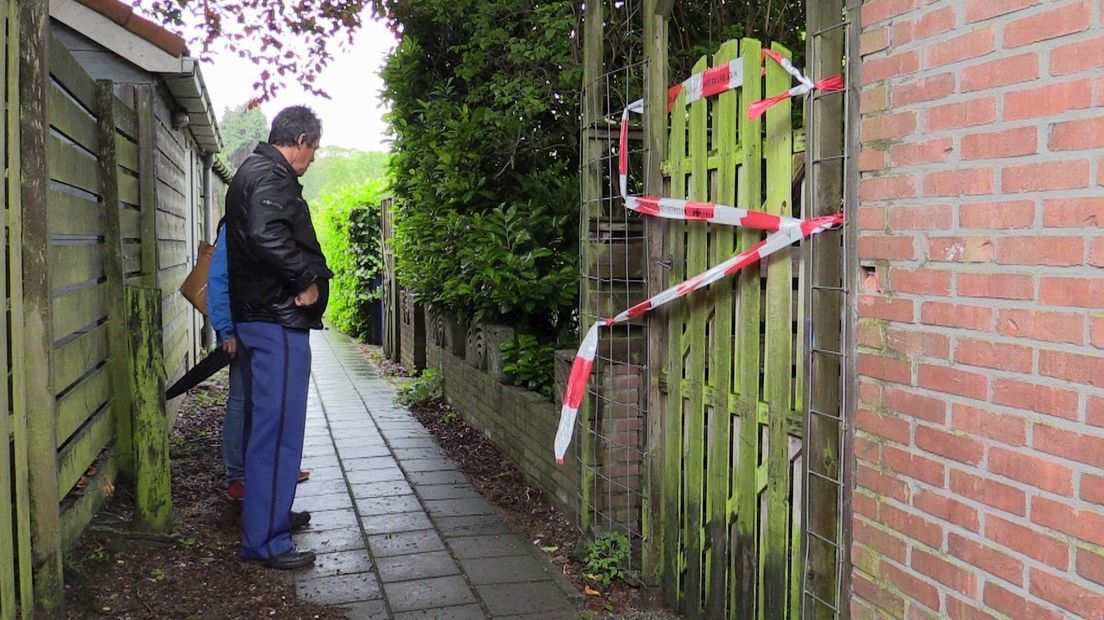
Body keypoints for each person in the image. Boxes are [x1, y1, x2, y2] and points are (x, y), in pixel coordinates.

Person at [225, 106, 332, 570]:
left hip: (260, 319)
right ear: (302, 140)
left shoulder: (252, 170)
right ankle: (265, 541)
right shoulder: (270, 174)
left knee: (265, 428)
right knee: (279, 431)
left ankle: (269, 517)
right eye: (314, 149)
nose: (312, 159)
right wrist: (305, 278)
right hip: (276, 321)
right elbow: (266, 234)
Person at [207, 222, 311, 502]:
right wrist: (226, 329)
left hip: (265, 324)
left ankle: (273, 467)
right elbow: (218, 278)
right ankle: (236, 476)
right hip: (241, 326)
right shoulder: (236, 225)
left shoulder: (269, 220)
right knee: (241, 400)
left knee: (268, 399)